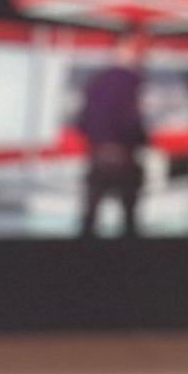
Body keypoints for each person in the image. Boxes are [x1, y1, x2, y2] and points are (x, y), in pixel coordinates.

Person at [77, 31, 153, 239]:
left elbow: (82, 121)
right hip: (122, 158)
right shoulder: (129, 80)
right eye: (141, 48)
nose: (145, 54)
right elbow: (131, 121)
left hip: (98, 156)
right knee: (129, 224)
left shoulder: (98, 79)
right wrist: (143, 140)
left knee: (89, 222)